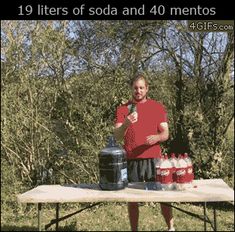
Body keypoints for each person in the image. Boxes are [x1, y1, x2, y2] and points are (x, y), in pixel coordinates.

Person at [114, 74, 175, 231]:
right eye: (135, 88)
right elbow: (117, 136)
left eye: (141, 88)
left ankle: (171, 228)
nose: (138, 91)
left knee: (163, 197)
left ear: (147, 89)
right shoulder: (123, 109)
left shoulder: (157, 107)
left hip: (154, 160)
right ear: (131, 89)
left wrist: (156, 137)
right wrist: (126, 122)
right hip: (132, 160)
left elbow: (165, 134)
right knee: (132, 200)